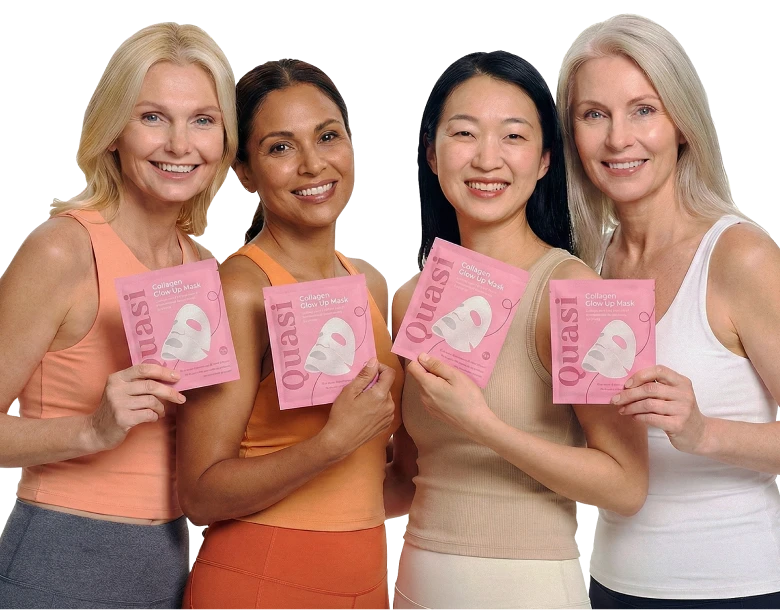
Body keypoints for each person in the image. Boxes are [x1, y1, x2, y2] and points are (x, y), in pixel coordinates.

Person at [386, 50, 649, 610]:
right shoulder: (411, 298)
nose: (486, 159)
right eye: (464, 134)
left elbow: (625, 485)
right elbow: (406, 477)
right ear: (432, 155)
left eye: (513, 136)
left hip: (523, 587)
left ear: (546, 160)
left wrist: (483, 424)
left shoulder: (574, 291)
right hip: (414, 579)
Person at [0, 23, 237, 608]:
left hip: (170, 558)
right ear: (113, 133)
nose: (180, 144)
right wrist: (91, 429)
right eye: (153, 116)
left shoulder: (201, 269)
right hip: (64, 554)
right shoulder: (63, 250)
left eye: (202, 120)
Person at [556, 14, 780, 609]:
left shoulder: (740, 258)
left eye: (643, 110)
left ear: (681, 123)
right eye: (594, 114)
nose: (618, 140)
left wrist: (702, 431)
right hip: (608, 584)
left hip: (736, 590)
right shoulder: (585, 268)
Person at [177, 58, 403, 609]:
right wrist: (330, 443)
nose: (311, 164)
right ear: (245, 172)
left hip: (366, 581)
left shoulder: (369, 284)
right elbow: (200, 495)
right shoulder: (237, 291)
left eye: (328, 136)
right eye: (280, 147)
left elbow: (384, 483)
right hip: (263, 579)